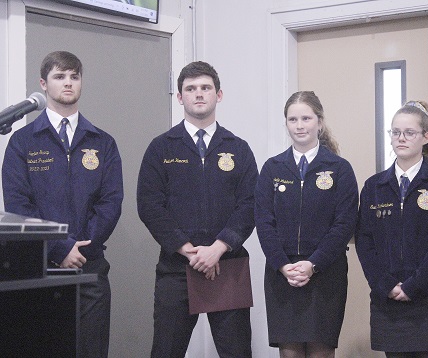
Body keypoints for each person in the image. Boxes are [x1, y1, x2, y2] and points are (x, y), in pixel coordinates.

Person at [2, 51, 123, 358]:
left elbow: (110, 202)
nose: (68, 83)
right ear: (43, 84)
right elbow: (18, 204)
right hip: (38, 267)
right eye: (59, 76)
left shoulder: (102, 142)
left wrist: (80, 248)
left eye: (74, 76)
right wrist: (59, 247)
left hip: (90, 266)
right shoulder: (23, 141)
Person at [137, 61, 258, 358]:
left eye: (205, 88)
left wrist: (217, 248)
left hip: (227, 265)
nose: (198, 94)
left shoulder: (238, 148)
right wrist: (190, 251)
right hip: (176, 268)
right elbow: (150, 206)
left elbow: (251, 204)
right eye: (190, 89)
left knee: (238, 353)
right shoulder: (161, 148)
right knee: (166, 351)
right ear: (180, 97)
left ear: (219, 95)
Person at [255, 91, 358, 358]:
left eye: (306, 118)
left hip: (325, 275)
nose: (299, 125)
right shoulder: (272, 168)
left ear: (319, 123)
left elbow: (344, 224)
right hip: (282, 275)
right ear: (286, 124)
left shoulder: (339, 169)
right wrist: (282, 264)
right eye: (292, 119)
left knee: (321, 352)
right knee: (290, 353)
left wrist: (313, 265)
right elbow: (264, 222)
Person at [356, 101, 428, 358]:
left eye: (409, 133)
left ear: (425, 137)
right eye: (395, 132)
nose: (401, 138)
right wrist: (386, 284)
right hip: (389, 299)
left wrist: (414, 286)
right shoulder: (374, 186)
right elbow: (364, 241)